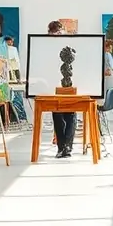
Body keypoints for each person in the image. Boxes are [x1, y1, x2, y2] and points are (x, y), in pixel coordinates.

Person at [48, 20, 76, 158]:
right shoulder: (47, 48)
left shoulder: (68, 46)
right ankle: (63, 147)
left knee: (69, 116)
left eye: (59, 32)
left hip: (70, 87)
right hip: (55, 88)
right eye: (55, 33)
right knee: (59, 116)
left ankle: (66, 147)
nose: (58, 35)